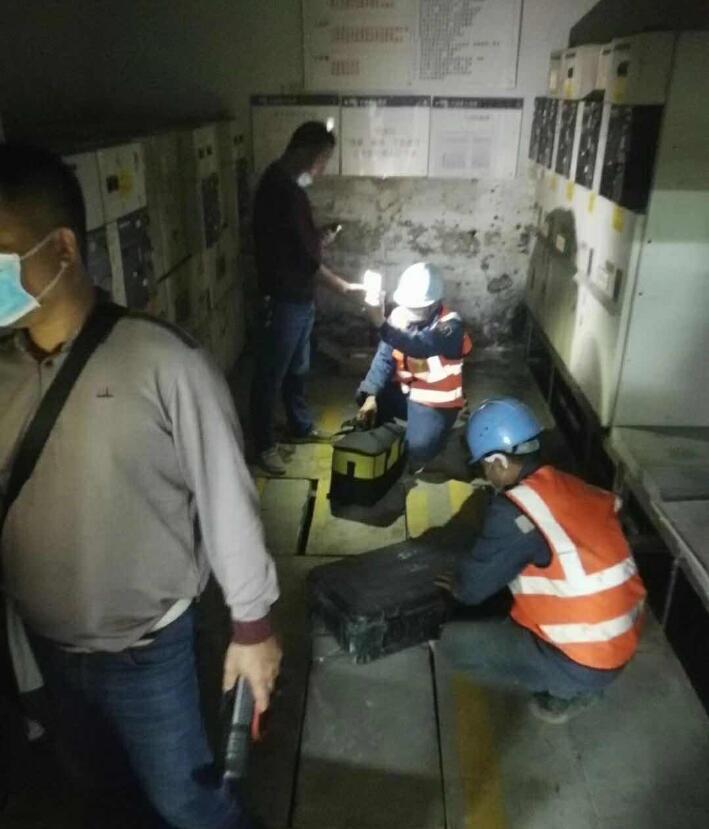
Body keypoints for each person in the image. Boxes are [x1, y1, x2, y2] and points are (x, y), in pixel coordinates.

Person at [0, 143, 281, 827]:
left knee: (191, 804)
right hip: (49, 650)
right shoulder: (3, 373)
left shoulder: (164, 362)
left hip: (148, 656)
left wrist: (252, 627)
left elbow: (227, 500)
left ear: (62, 247)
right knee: (103, 797)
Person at [437, 397, 647, 724]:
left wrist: (459, 583)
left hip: (585, 660)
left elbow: (472, 589)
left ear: (498, 462)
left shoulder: (515, 510)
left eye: (485, 467)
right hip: (621, 640)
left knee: (454, 644)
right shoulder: (570, 484)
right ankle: (575, 678)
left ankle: (566, 692)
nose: (487, 476)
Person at [251, 121, 365, 476]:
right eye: (321, 160)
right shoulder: (279, 191)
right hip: (282, 298)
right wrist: (344, 288)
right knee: (271, 373)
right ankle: (263, 444)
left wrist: (319, 237)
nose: (322, 169)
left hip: (299, 299)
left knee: (298, 367)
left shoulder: (290, 188)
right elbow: (303, 260)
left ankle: (299, 426)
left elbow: (298, 242)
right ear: (303, 152)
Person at [356, 262, 472, 472]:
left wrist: (381, 323)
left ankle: (442, 434)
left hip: (437, 405)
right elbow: (384, 359)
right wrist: (371, 396)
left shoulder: (450, 326)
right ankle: (387, 432)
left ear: (433, 304)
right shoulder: (400, 317)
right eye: (407, 305)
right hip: (407, 394)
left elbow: (419, 345)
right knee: (366, 397)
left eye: (417, 307)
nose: (410, 311)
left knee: (417, 450)